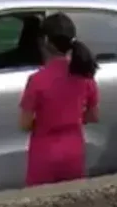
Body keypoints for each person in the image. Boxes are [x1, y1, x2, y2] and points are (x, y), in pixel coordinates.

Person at [18, 12, 99, 186]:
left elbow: (25, 123)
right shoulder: (85, 76)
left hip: (44, 152)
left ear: (45, 41)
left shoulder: (37, 80)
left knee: (41, 199)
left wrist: (46, 122)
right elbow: (93, 116)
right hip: (74, 150)